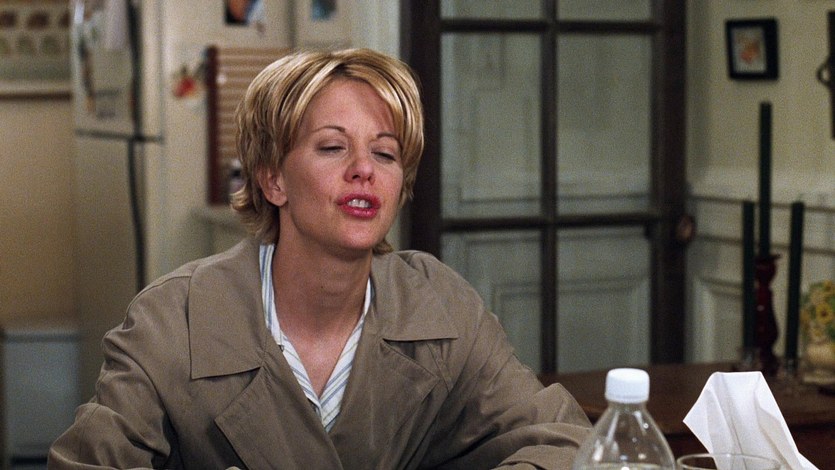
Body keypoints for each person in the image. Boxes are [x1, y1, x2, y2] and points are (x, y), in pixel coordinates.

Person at [48, 48, 591, 469]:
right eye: (333, 147)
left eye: (385, 153)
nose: (364, 169)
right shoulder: (174, 319)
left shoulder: (440, 304)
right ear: (274, 180)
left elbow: (563, 440)